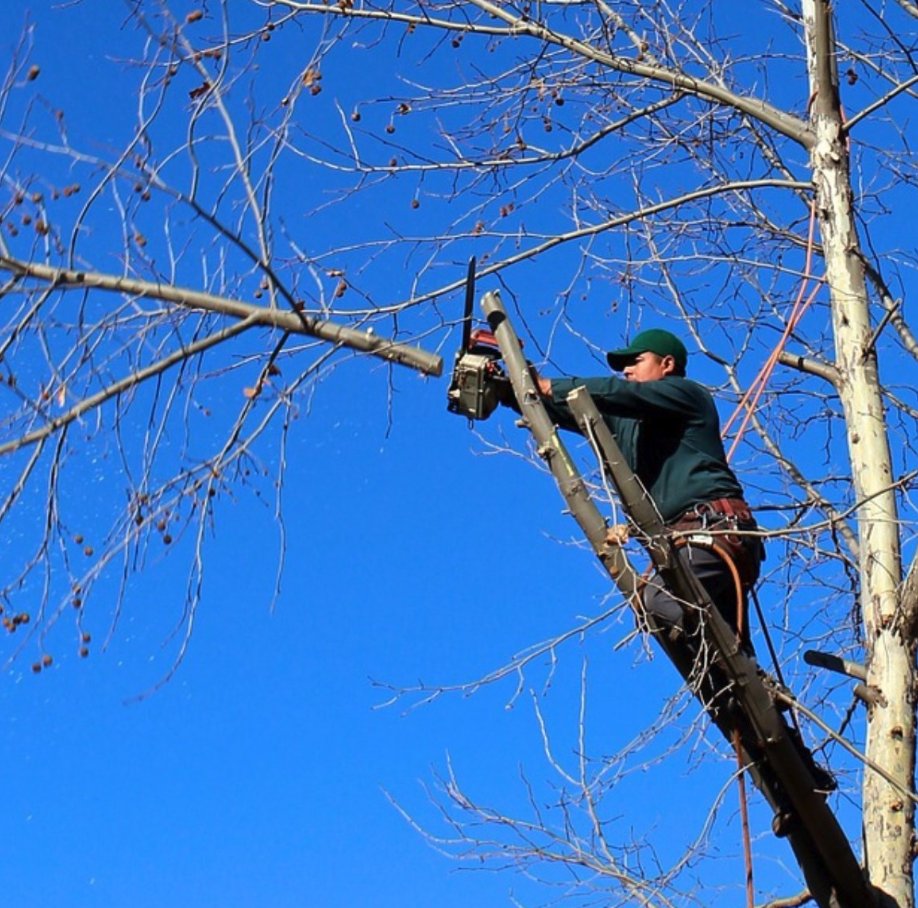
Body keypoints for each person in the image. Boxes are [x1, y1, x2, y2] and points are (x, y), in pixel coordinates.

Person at [520, 328, 764, 645]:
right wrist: (514, 389)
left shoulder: (687, 394)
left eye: (636, 361)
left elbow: (618, 393)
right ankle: (738, 672)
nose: (626, 371)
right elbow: (569, 409)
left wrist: (550, 385)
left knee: (658, 602)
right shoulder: (628, 423)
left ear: (667, 364)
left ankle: (726, 658)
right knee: (720, 659)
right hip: (686, 544)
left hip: (714, 530)